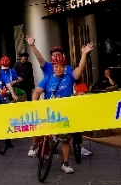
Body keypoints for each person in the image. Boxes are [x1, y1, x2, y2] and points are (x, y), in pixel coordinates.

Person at [30, 43, 94, 173]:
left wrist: (84, 54)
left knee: (65, 140)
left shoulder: (69, 77)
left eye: (61, 66)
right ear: (53, 67)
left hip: (64, 113)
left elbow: (80, 69)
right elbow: (36, 93)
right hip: (49, 112)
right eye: (56, 66)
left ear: (65, 67)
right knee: (37, 127)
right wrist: (34, 105)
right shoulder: (47, 78)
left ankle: (65, 163)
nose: (58, 68)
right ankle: (35, 147)